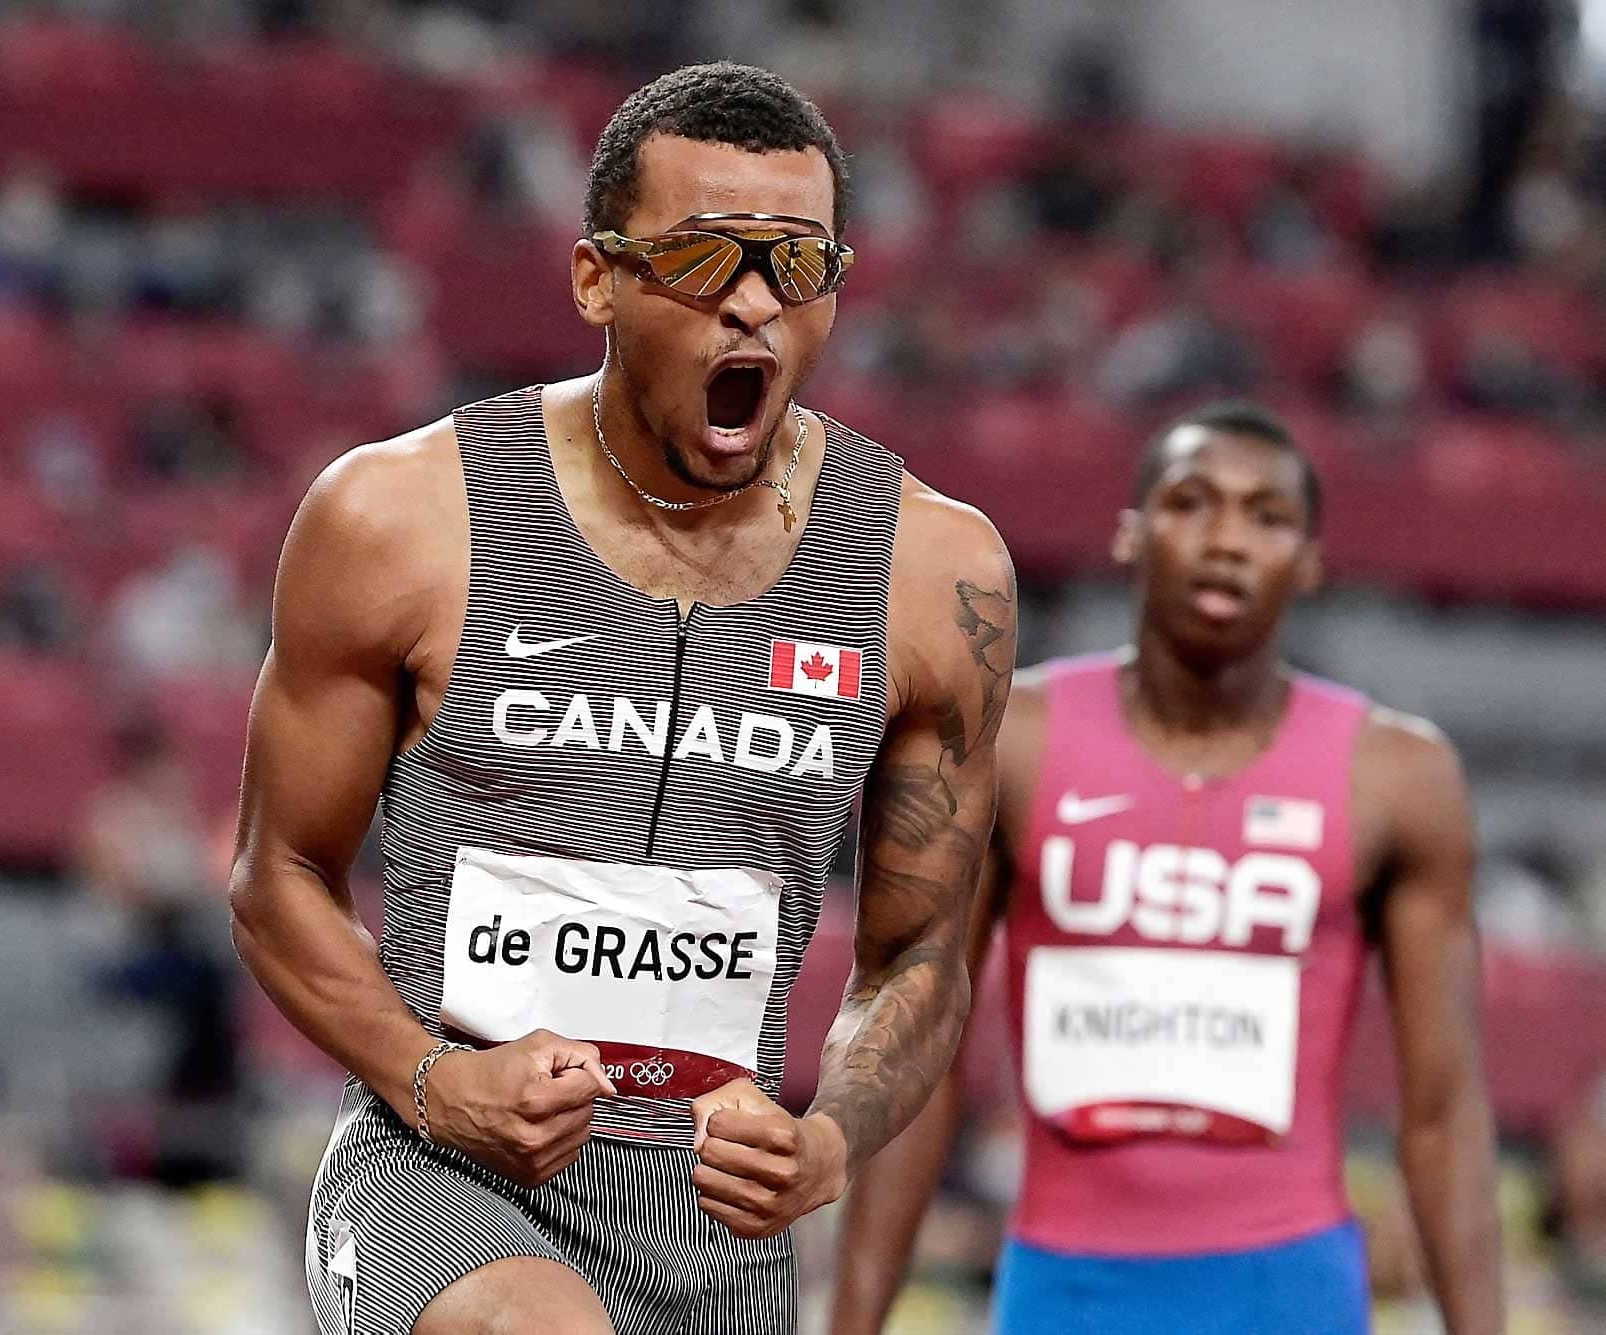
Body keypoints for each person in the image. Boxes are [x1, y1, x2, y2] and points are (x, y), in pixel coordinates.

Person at [230, 63, 1016, 1335]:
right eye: (705, 258)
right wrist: (433, 1084)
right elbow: (276, 881)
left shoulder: (932, 576)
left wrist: (832, 1140)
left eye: (795, 265)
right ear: (597, 277)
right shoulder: (400, 519)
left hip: (717, 1223)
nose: (753, 306)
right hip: (445, 1175)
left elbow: (918, 953)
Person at [831, 401, 1504, 1335]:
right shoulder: (1014, 742)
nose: (1227, 540)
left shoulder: (1399, 776)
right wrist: (852, 1318)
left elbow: (1442, 1107)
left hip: (1289, 1287)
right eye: (1192, 503)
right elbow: (920, 1046)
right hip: (1067, 1287)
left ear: (1309, 560)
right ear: (1131, 535)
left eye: (1266, 516)